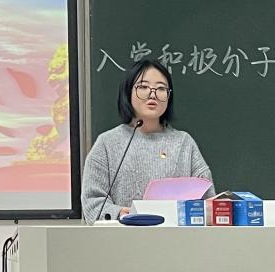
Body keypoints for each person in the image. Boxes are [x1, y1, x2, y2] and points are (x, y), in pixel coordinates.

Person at [82, 59, 214, 223]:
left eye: (161, 88)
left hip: (177, 237)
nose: (153, 94)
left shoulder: (184, 143)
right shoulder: (107, 143)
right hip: (123, 236)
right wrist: (122, 214)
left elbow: (208, 201)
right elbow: (92, 202)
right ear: (128, 92)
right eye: (143, 87)